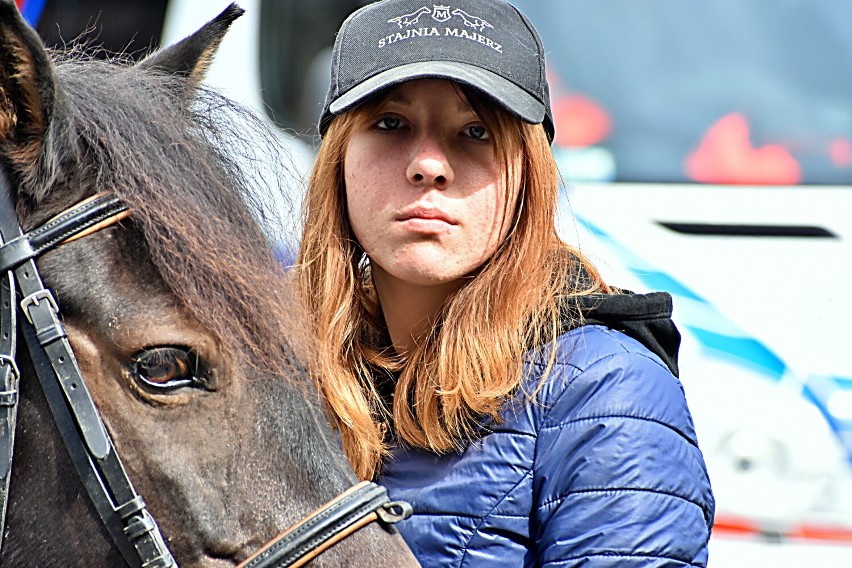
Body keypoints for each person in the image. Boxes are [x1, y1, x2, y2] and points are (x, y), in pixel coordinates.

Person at [295, 0, 715, 565]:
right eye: (390, 124)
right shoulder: (277, 368)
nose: (428, 165)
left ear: (529, 176)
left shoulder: (607, 392)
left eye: (475, 131)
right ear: (337, 159)